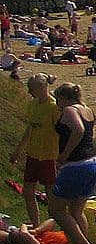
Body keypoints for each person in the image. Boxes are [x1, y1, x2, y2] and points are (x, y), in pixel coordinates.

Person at [48, 82, 96, 244]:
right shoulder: (87, 109)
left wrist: (64, 155)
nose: (57, 104)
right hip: (92, 161)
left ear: (64, 98)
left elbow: (78, 130)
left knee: (56, 209)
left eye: (58, 100)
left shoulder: (70, 110)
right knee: (77, 210)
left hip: (76, 164)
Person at [12, 74, 59, 227]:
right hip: (33, 153)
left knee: (51, 194)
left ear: (41, 88)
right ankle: (36, 223)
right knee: (28, 192)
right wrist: (19, 150)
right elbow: (30, 128)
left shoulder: (53, 106)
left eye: (32, 89)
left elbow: (60, 131)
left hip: (49, 154)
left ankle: (53, 224)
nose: (30, 91)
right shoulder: (33, 105)